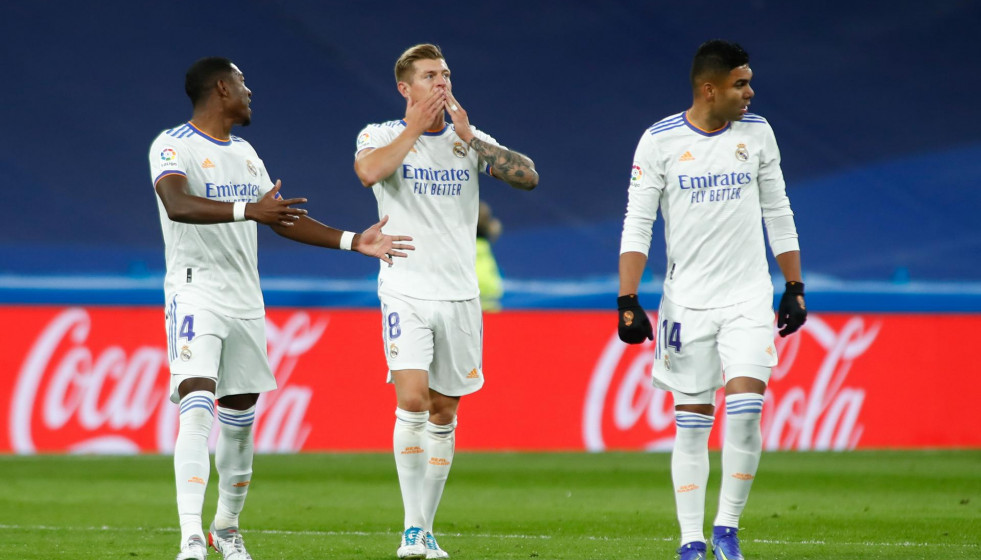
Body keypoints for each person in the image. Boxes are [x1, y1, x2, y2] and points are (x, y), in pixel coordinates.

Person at [149, 56, 414, 560]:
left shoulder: (247, 153)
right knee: (196, 403)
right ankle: (189, 537)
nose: (252, 93)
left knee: (241, 415)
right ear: (222, 89)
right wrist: (250, 209)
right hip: (194, 290)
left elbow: (280, 218)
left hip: (246, 297)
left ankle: (226, 527)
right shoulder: (172, 145)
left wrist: (354, 241)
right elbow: (177, 204)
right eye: (245, 84)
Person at [617, 40, 807, 560]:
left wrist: (793, 286)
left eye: (748, 82)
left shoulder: (758, 134)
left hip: (748, 297)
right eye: (740, 84)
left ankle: (726, 530)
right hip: (687, 303)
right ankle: (690, 540)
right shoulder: (658, 142)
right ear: (710, 89)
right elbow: (639, 223)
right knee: (693, 421)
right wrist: (627, 298)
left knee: (746, 410)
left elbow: (778, 210)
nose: (750, 92)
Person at [353, 43, 538, 559]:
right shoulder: (382, 134)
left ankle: (424, 528)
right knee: (411, 399)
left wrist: (472, 138)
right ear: (404, 88)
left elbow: (528, 177)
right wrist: (415, 128)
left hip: (460, 295)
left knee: (444, 409)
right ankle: (413, 530)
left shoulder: (468, 142)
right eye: (430, 75)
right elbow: (369, 173)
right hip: (405, 288)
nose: (441, 83)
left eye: (446, 74)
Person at [475, 200, 504, 312]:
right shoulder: (485, 243)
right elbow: (496, 228)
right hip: (488, 298)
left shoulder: (464, 243)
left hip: (479, 299)